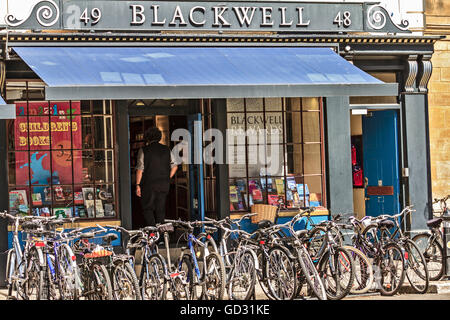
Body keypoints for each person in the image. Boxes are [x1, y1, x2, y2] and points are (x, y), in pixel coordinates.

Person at [135, 127, 178, 226]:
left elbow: (140, 169)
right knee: (160, 210)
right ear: (159, 137)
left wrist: (138, 185)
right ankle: (161, 238)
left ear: (147, 138)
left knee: (147, 208)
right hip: (163, 184)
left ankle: (153, 232)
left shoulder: (144, 150)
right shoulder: (167, 149)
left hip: (149, 185)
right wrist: (167, 177)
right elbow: (175, 166)